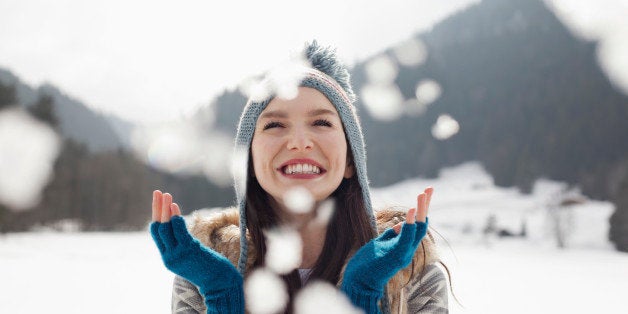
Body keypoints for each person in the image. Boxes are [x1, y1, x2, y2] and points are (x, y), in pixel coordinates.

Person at [150, 41, 449, 314]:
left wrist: (362, 293)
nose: (299, 141)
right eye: (275, 125)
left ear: (350, 161)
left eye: (321, 122)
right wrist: (223, 297)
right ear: (250, 163)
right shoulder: (201, 274)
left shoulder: (410, 274)